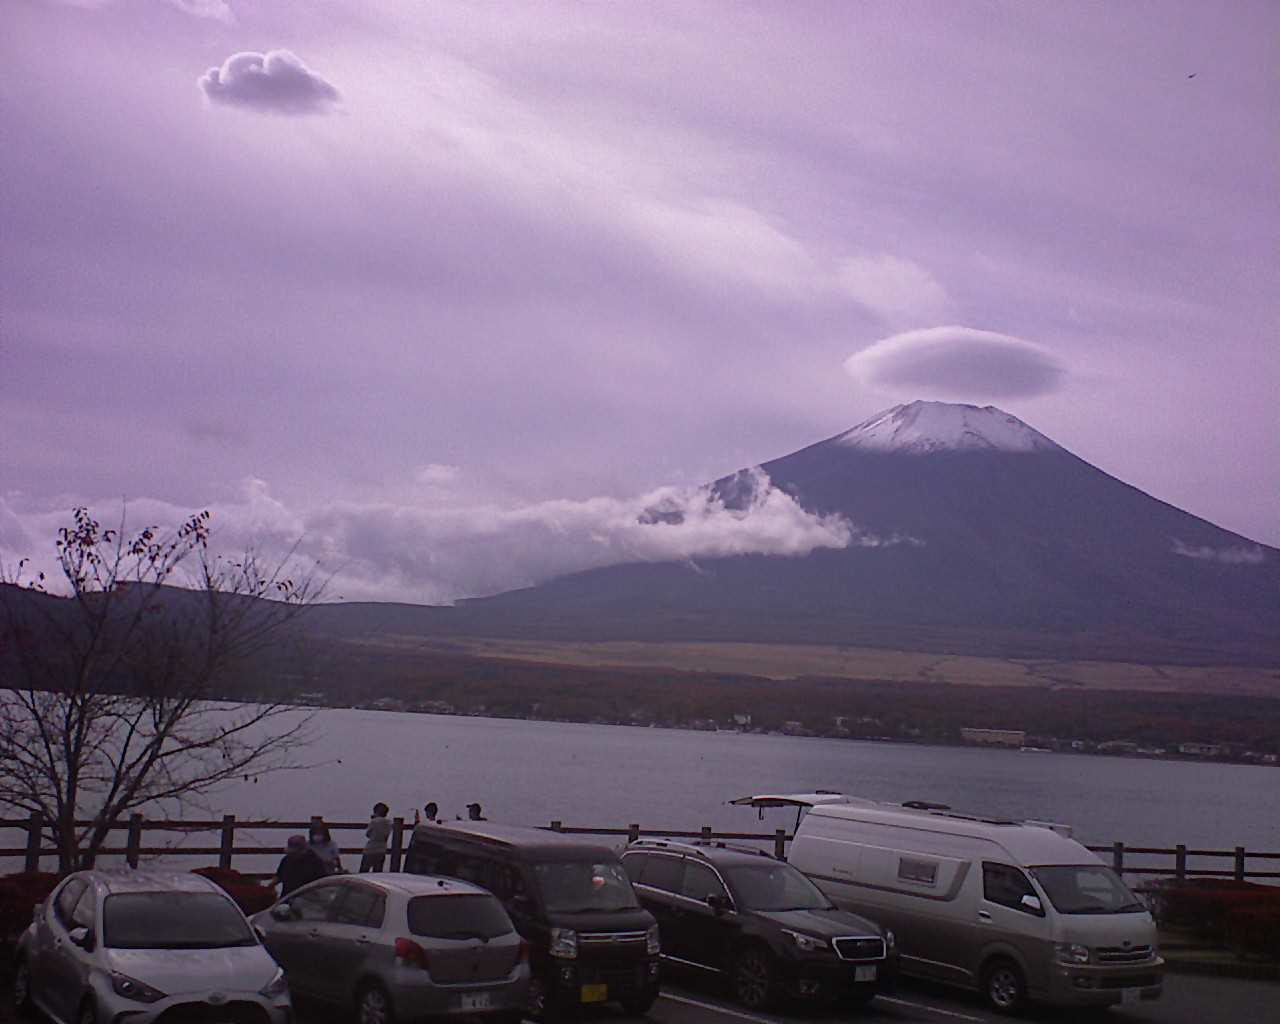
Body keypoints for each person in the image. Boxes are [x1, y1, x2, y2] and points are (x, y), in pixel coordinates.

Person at [360, 802, 391, 873]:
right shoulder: (389, 823)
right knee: (377, 872)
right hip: (382, 849)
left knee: (364, 871)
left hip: (370, 849)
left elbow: (368, 834)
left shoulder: (374, 822)